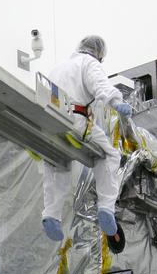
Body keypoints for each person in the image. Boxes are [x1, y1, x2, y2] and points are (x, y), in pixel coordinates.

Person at [44, 36, 132, 252]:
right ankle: (106, 208)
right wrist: (117, 101)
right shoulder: (88, 63)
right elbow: (100, 85)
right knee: (109, 155)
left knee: (58, 164)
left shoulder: (57, 68)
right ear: (98, 53)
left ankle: (51, 215)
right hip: (76, 121)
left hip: (50, 121)